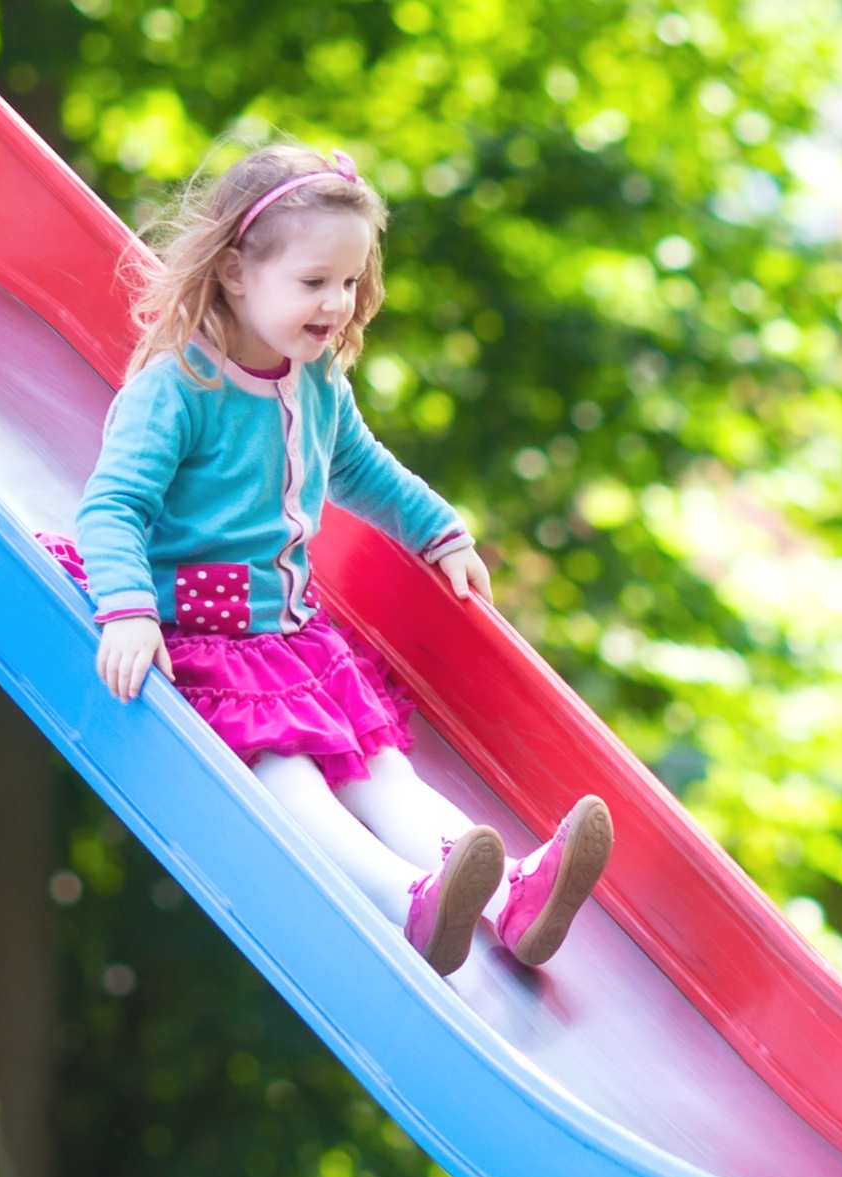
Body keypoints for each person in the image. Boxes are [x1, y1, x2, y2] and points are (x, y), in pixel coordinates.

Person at [66, 143, 612, 976]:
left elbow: (359, 468)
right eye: (313, 282)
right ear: (237, 273)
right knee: (290, 775)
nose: (336, 303)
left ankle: (506, 896)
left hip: (290, 634)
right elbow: (113, 507)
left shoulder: (315, 380)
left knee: (379, 765)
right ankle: (406, 900)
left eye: (349, 283)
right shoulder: (178, 387)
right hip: (198, 639)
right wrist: (129, 611)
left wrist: (441, 531)